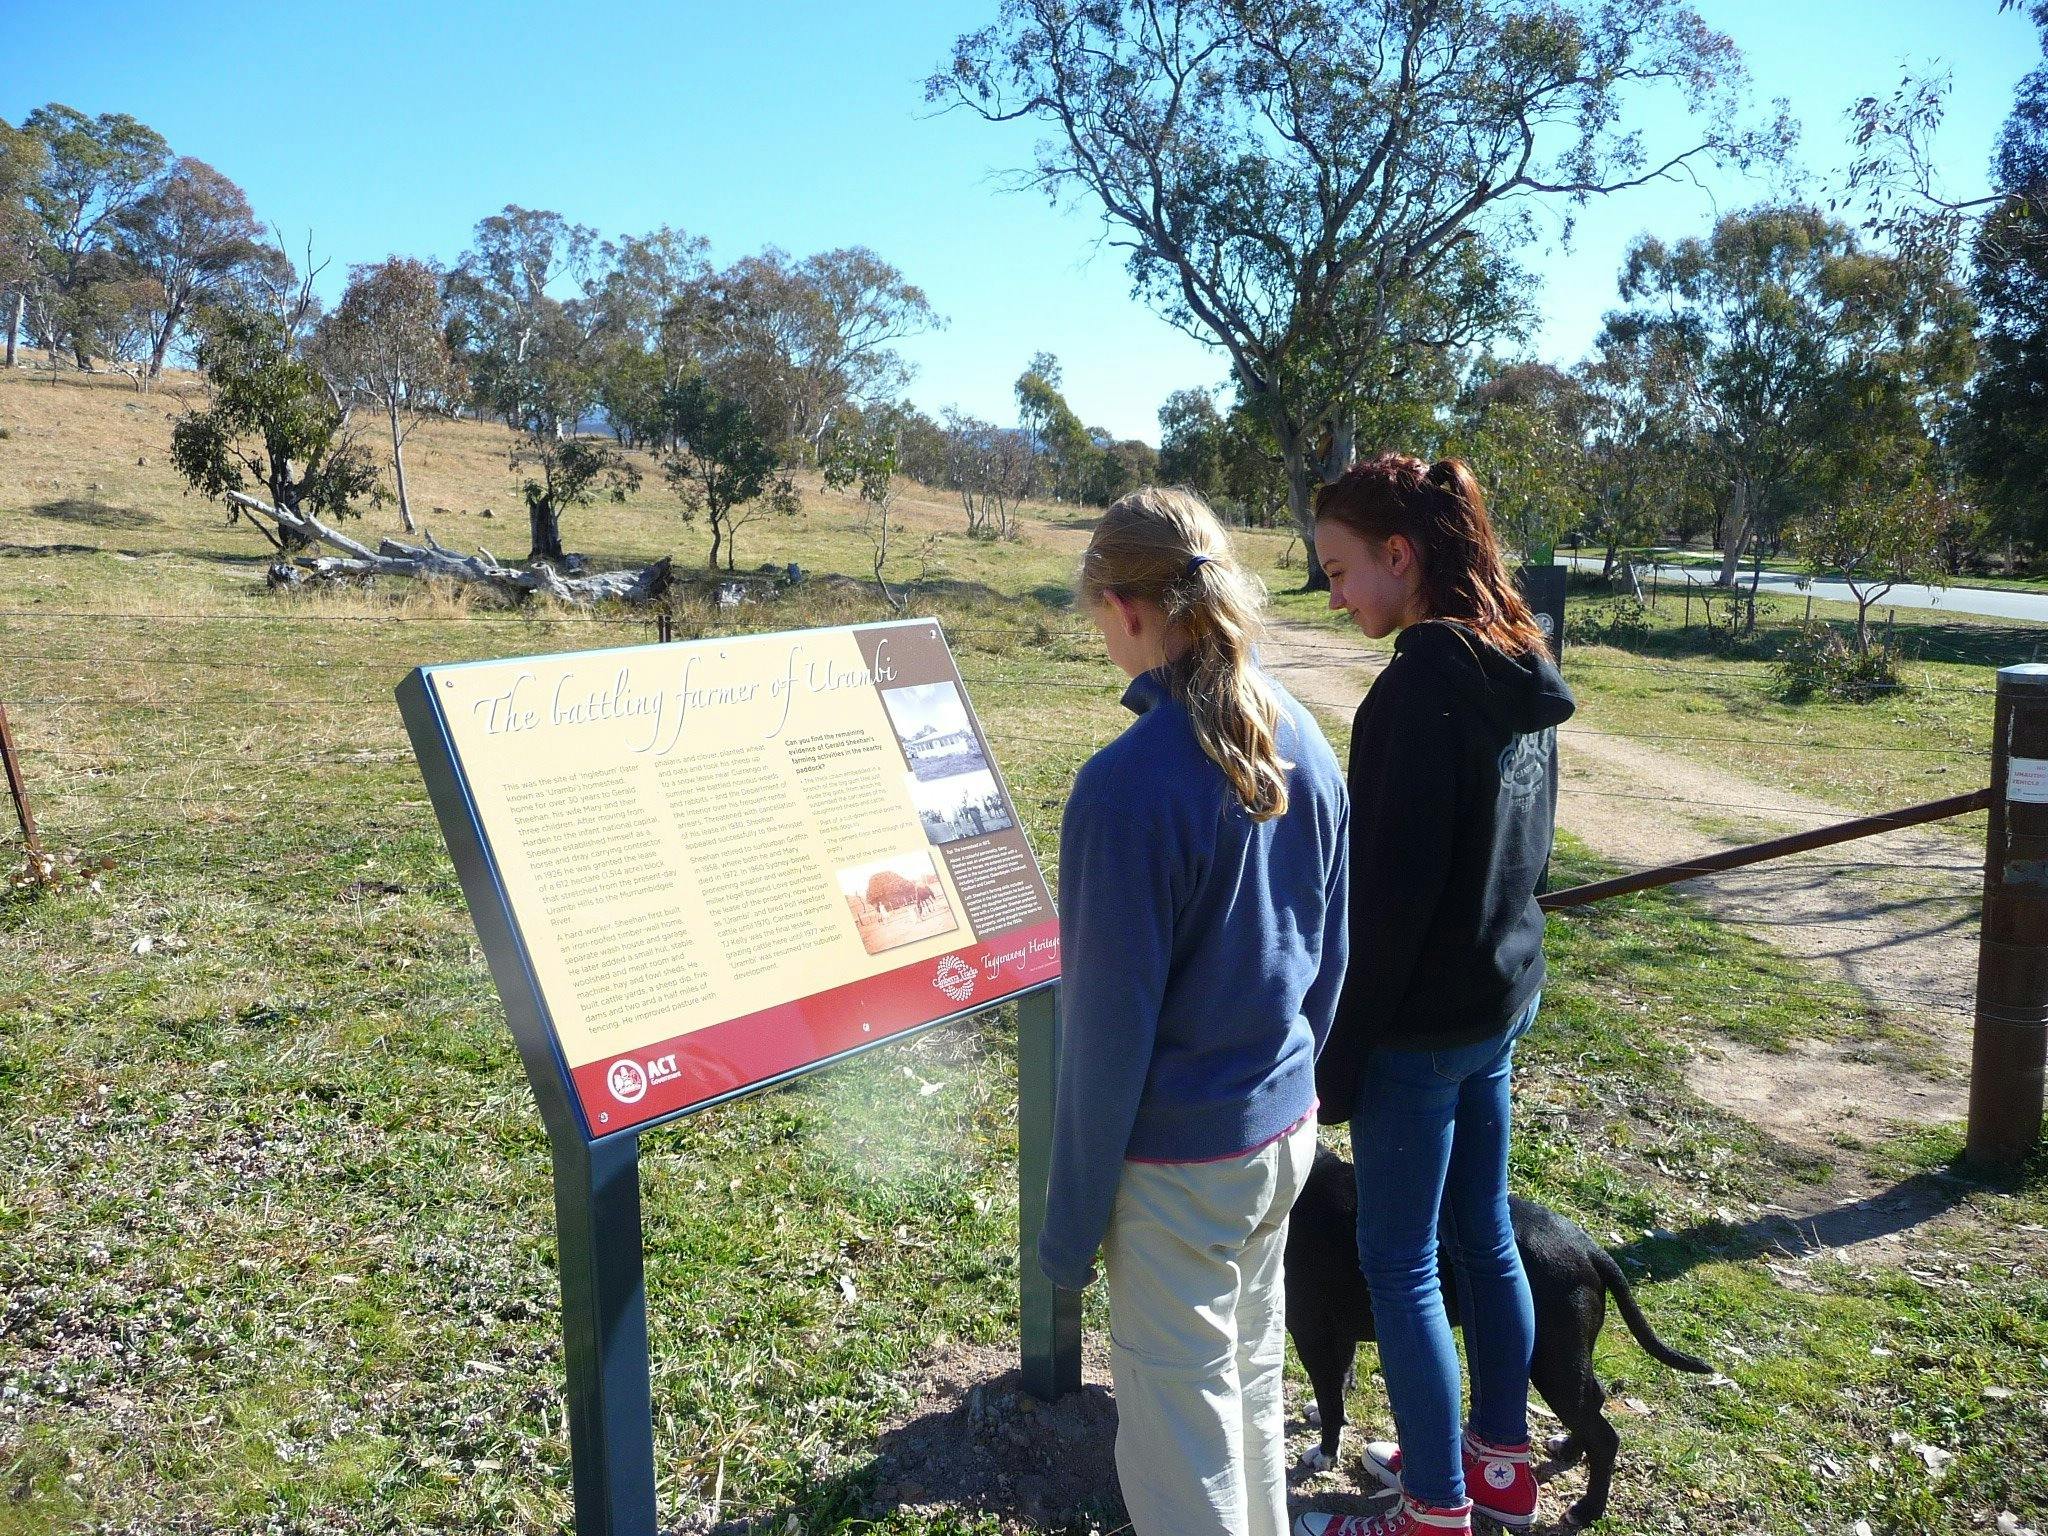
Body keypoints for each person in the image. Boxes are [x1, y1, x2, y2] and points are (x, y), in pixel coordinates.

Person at [1038, 486, 1349, 1536]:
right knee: (1246, 1388)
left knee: (1180, 1444)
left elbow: (1102, 1044)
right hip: (1281, 1134)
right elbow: (1329, 950)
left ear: (1122, 609)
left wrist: (1064, 1235)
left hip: (1178, 1174)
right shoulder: (1301, 733)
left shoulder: (1124, 788)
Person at [1295, 456, 1576, 1536]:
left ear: (1398, 557)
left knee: (1401, 1263)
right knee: (1481, 1237)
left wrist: (1338, 1061)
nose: (1333, 595)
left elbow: (1385, 909)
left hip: (1419, 1033)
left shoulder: (1413, 694)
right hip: (1495, 1007)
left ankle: (1430, 1509)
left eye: (1337, 570)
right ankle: (1497, 1466)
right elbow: (1532, 851)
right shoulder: (1514, 657)